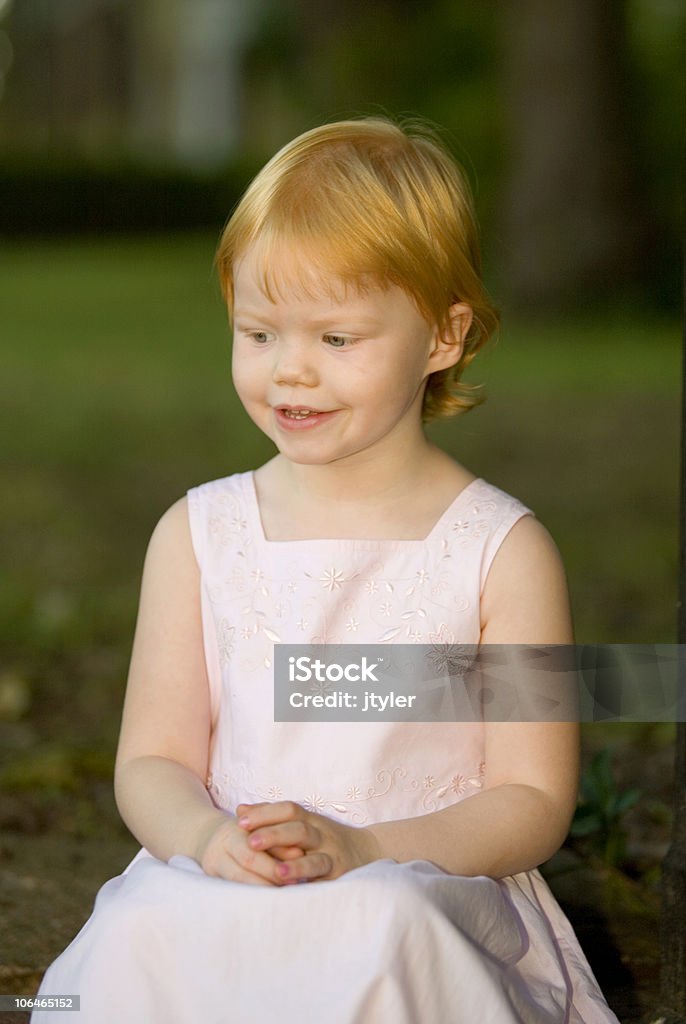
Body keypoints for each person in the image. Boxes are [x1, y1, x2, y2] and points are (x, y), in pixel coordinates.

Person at [33, 117, 618, 1023]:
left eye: (336, 340)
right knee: (143, 929)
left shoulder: (502, 549)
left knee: (380, 928)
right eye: (259, 333)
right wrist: (205, 839)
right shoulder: (199, 533)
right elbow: (152, 759)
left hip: (418, 889)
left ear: (442, 336)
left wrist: (366, 846)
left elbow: (534, 798)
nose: (290, 373)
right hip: (229, 878)